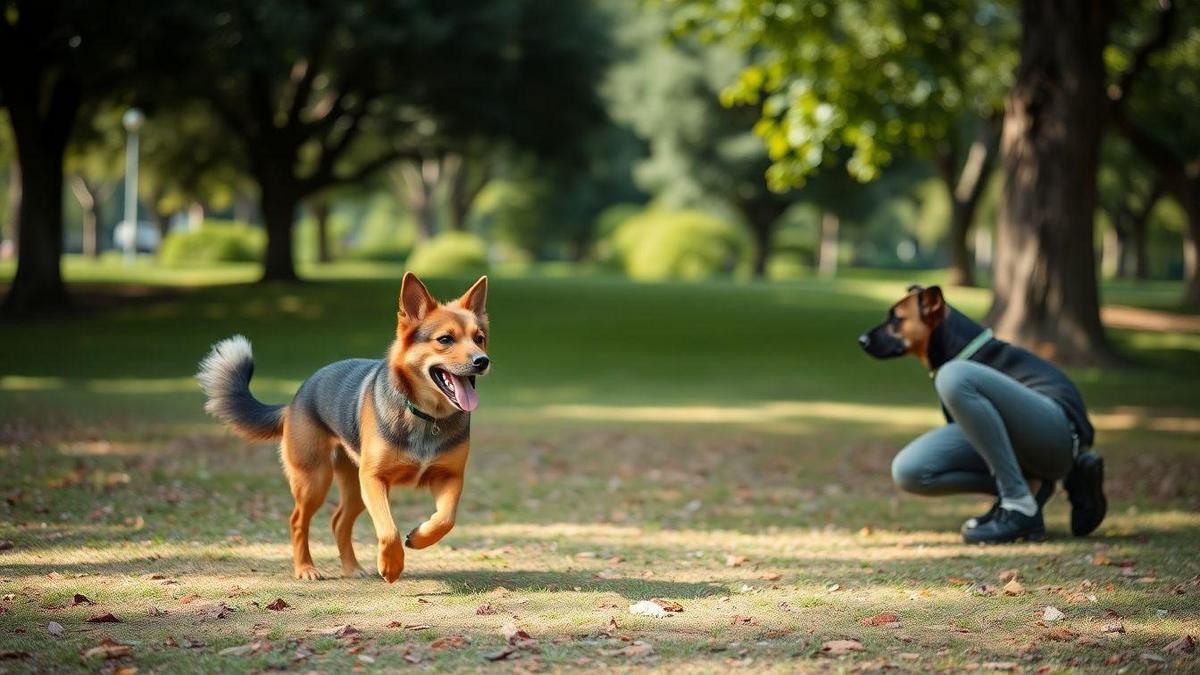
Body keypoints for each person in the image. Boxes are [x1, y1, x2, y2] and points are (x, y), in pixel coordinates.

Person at [858, 285, 1107, 543]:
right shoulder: (968, 370)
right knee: (909, 471)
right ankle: (1031, 487)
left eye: (897, 321)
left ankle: (1020, 503)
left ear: (933, 308)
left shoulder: (972, 367)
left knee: (953, 375)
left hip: (1061, 436)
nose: (888, 329)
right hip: (1027, 447)